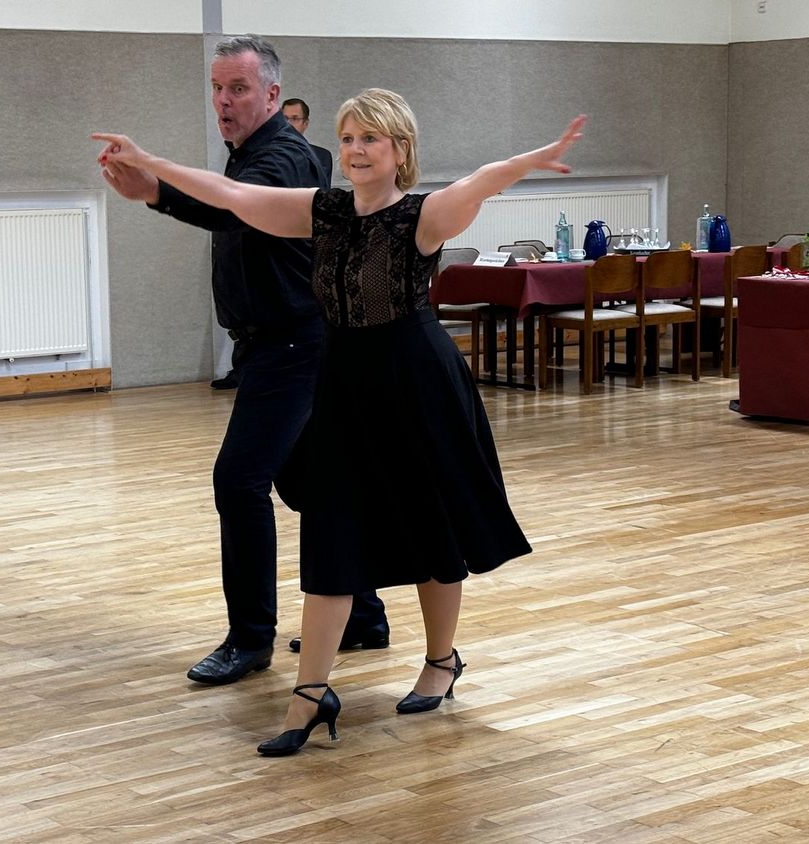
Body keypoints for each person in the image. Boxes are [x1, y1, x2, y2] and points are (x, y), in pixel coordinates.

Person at [95, 90, 586, 754]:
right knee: (331, 530)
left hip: (418, 383)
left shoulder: (422, 216)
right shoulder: (322, 212)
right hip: (343, 384)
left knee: (430, 527)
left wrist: (537, 157)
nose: (354, 150)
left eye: (370, 139)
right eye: (348, 138)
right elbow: (231, 196)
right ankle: (309, 694)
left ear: (400, 150)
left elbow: (481, 181)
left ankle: (441, 660)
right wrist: (152, 164)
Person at [97, 35, 389, 686]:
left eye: (238, 89)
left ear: (272, 95)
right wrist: (155, 192)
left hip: (293, 347)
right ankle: (364, 615)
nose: (223, 101)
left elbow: (236, 208)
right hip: (280, 345)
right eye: (217, 88)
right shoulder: (253, 155)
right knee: (310, 485)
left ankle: (250, 640)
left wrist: (157, 186)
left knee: (238, 482)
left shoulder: (282, 157)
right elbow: (231, 209)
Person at [281, 98, 334, 179]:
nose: (288, 124)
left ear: (305, 123)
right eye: (285, 118)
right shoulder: (267, 154)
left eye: (294, 119)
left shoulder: (321, 157)